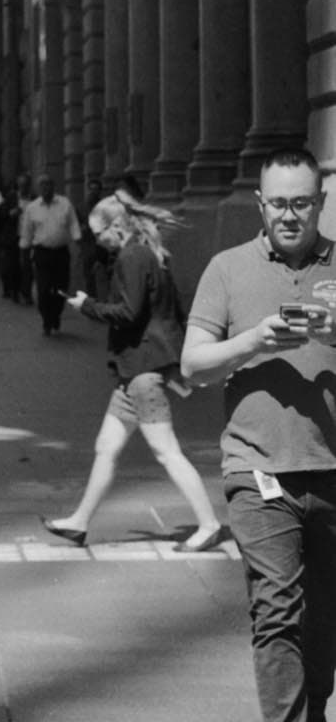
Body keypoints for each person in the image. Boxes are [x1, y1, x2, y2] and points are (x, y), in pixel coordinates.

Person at [181, 146, 336, 722]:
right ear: (261, 205)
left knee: (326, 619)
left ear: (321, 203)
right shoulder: (227, 269)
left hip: (331, 470)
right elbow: (192, 362)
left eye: (302, 202)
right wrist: (256, 342)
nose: (290, 214)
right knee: (278, 609)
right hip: (258, 470)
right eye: (278, 203)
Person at [41, 193, 223, 553]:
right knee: (106, 448)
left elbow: (128, 312)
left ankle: (209, 523)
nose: (97, 240)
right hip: (136, 370)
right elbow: (171, 311)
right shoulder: (148, 253)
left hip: (142, 369)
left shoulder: (131, 256)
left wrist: (87, 306)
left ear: (116, 226)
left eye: (98, 233)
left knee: (166, 451)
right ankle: (79, 522)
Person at [20, 172, 81, 335]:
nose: (46, 188)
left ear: (53, 187)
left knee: (61, 288)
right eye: (42, 185)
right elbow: (27, 231)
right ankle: (46, 319)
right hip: (42, 253)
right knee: (43, 288)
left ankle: (56, 315)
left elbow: (73, 223)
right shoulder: (32, 208)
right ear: (39, 188)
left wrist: (77, 238)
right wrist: (24, 247)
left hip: (61, 253)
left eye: (48, 184)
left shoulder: (65, 204)